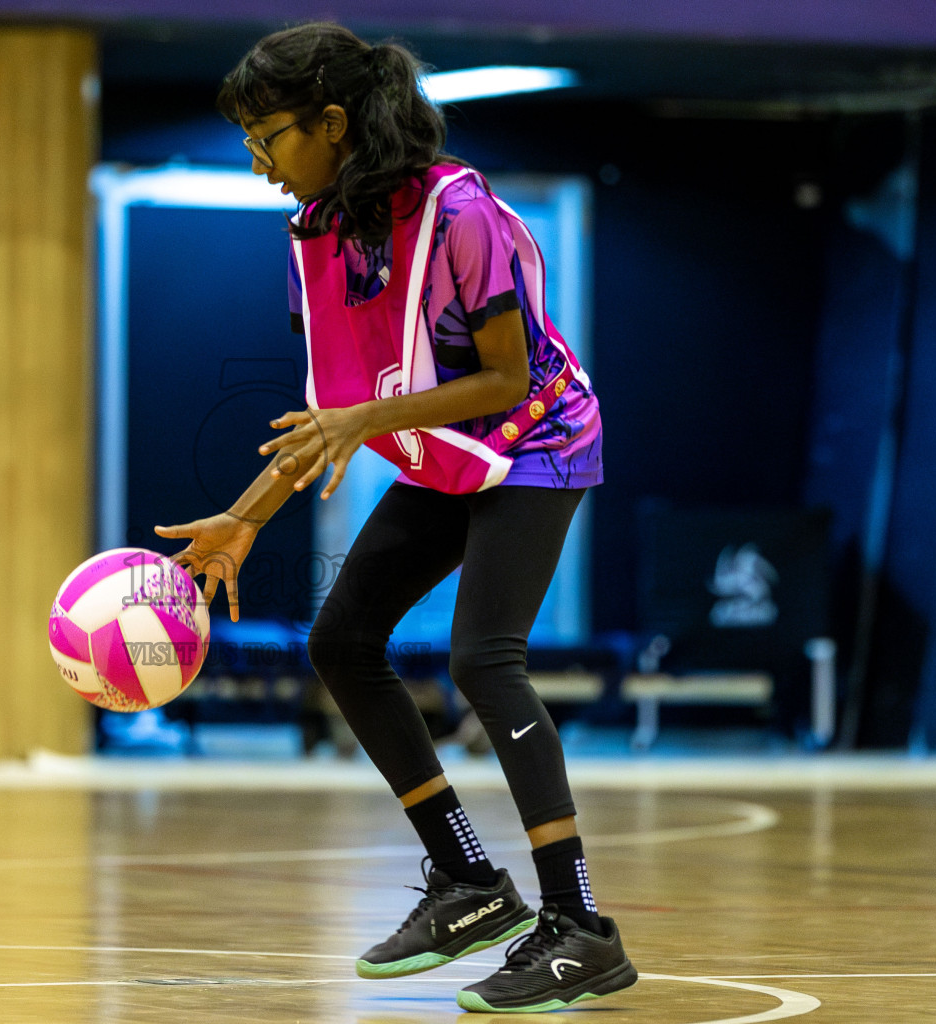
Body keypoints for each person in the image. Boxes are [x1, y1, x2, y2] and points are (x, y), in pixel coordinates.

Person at [154, 22, 636, 1014]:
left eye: (269, 136)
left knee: (482, 659)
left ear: (333, 122)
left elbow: (503, 376)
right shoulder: (315, 238)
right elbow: (325, 418)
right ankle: (467, 881)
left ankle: (580, 926)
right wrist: (246, 518)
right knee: (342, 641)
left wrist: (371, 417)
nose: (257, 162)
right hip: (452, 457)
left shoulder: (463, 215)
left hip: (537, 441)